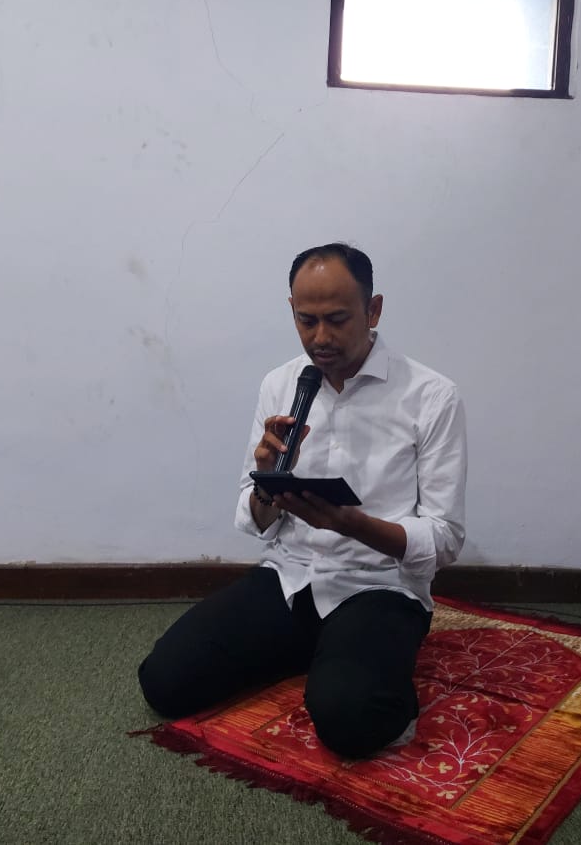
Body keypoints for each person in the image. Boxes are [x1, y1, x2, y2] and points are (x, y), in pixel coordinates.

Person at [138, 243, 468, 758]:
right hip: (291, 577)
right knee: (164, 682)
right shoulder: (281, 383)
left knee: (350, 722)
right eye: (305, 320)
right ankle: (322, 649)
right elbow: (256, 517)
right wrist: (267, 482)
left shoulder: (432, 396)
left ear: (373, 310)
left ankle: (353, 661)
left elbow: (445, 538)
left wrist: (351, 524)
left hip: (378, 585)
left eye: (337, 319)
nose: (320, 338)